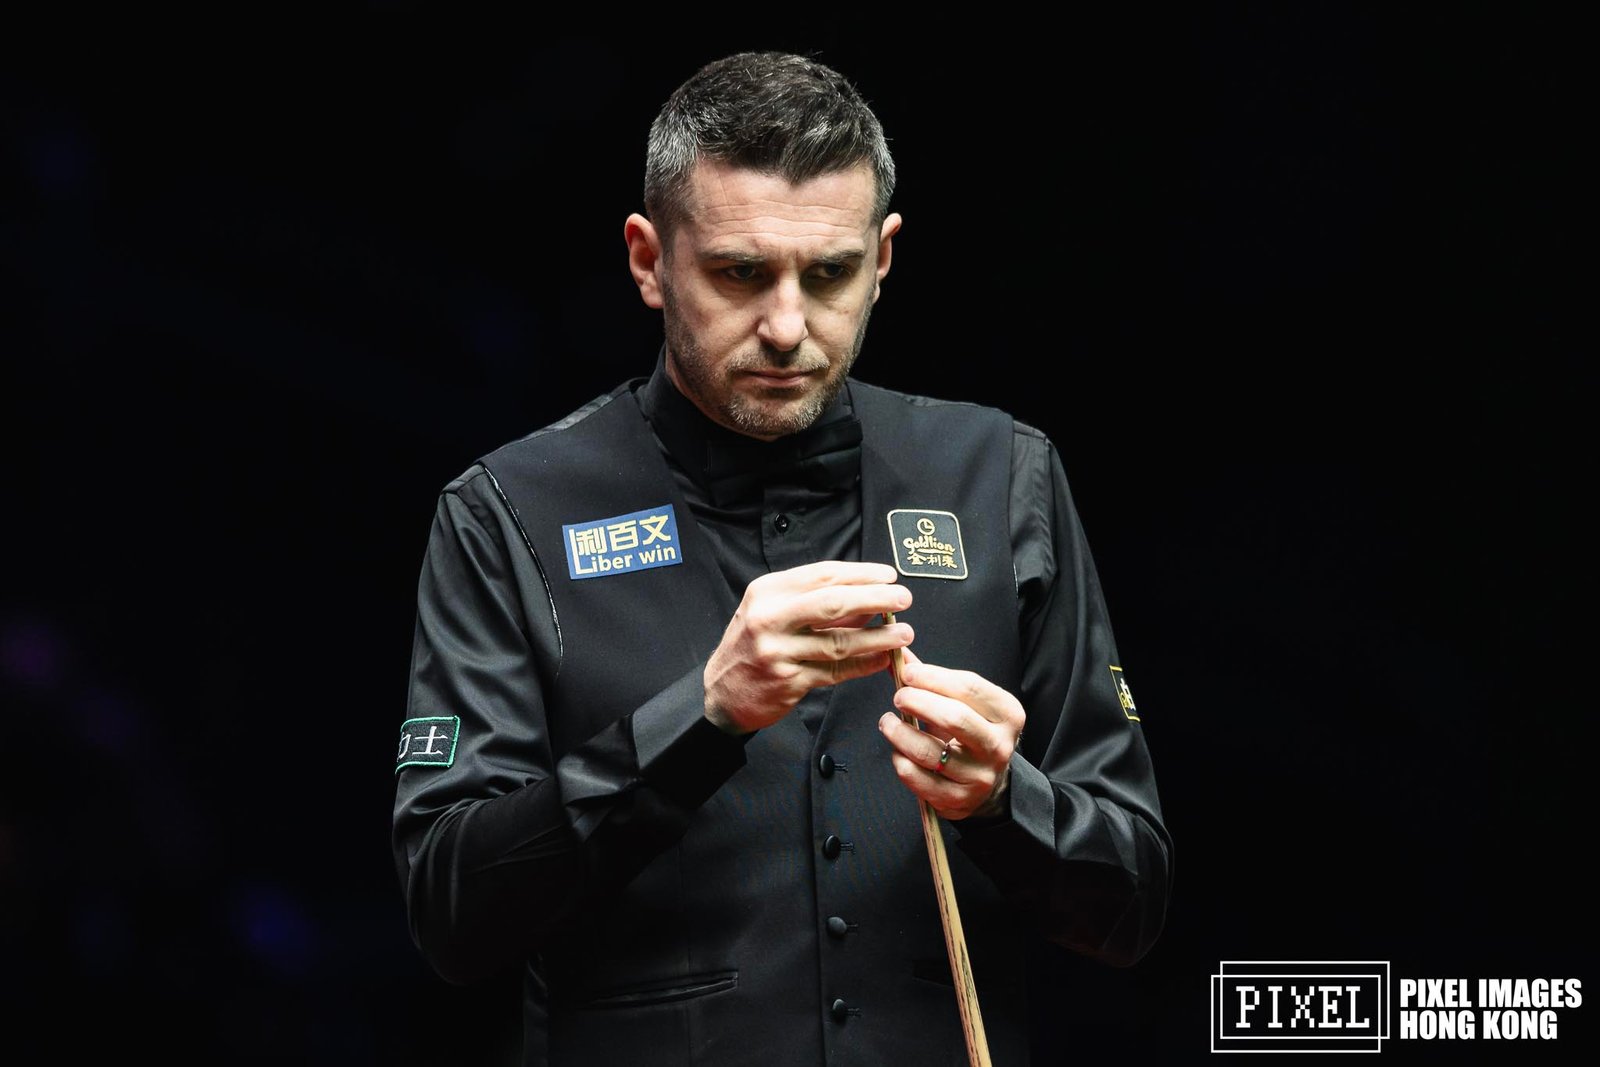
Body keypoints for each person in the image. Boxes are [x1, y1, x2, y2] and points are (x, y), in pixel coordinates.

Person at [392, 50, 1171, 1066]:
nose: (788, 327)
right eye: (740, 273)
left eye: (830, 273)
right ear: (648, 260)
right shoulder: (509, 511)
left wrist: (1001, 800)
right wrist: (703, 715)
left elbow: (1131, 905)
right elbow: (451, 911)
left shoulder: (1002, 475)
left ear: (882, 258)